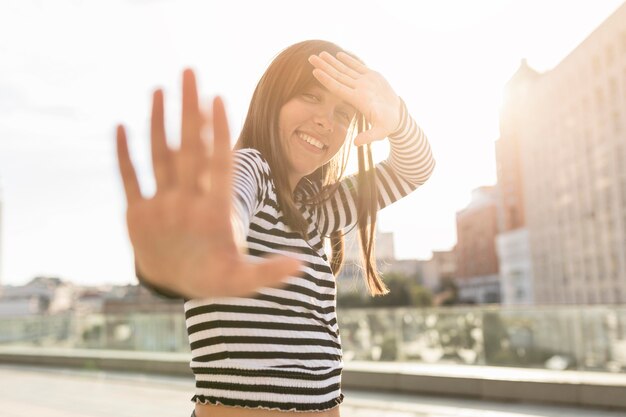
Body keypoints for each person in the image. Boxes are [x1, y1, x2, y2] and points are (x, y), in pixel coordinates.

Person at [116, 39, 436, 417]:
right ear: (272, 99)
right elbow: (228, 205)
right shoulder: (250, 168)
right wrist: (205, 244)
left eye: (344, 114)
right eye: (310, 97)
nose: (326, 121)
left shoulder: (318, 209)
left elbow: (415, 167)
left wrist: (396, 113)